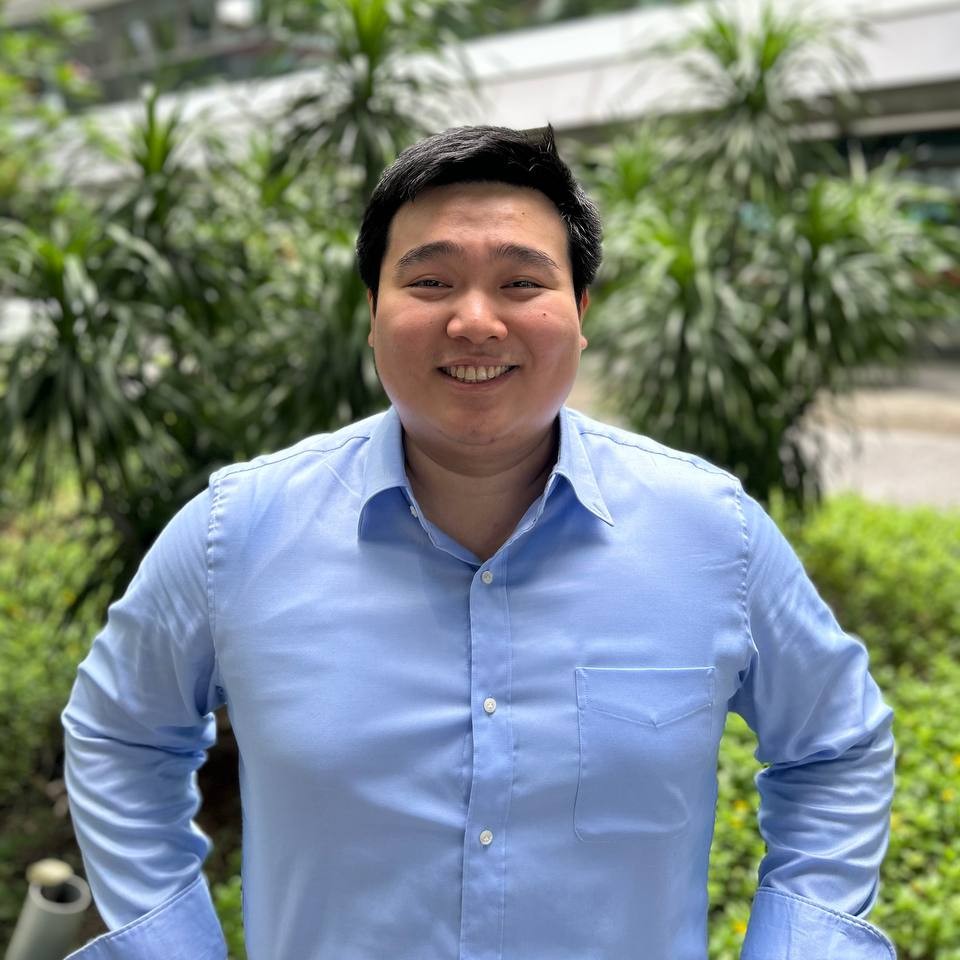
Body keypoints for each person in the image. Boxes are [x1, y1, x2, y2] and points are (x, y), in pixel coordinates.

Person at [62, 125, 895, 960]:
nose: (474, 321)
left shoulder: (712, 531)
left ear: (580, 314)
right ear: (373, 314)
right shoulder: (236, 532)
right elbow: (118, 732)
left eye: (521, 282)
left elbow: (837, 746)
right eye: (430, 281)